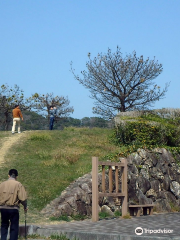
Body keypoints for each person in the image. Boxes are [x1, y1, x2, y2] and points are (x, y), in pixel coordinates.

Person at [0, 169, 28, 240]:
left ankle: (3, 238)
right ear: (16, 177)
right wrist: (25, 206)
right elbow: (23, 198)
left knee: (4, 225)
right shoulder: (18, 185)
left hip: (3, 208)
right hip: (13, 209)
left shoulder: (2, 184)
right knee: (14, 227)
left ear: (8, 175)